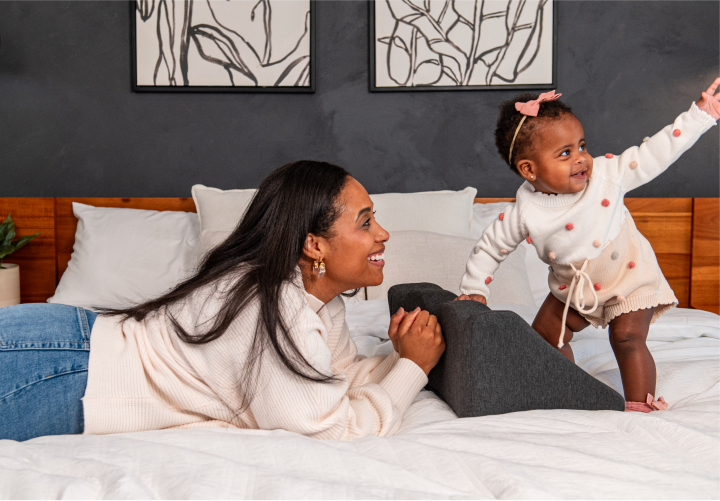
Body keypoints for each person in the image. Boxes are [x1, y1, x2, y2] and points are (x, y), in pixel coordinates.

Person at [0, 161, 445, 442]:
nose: (382, 234)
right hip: (59, 370)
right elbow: (334, 429)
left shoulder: (317, 302)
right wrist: (413, 368)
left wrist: (400, 354)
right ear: (314, 245)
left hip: (65, 352)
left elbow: (334, 377)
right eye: (365, 222)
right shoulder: (276, 307)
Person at [458, 79, 720, 412]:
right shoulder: (523, 212)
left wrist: (699, 116)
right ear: (529, 169)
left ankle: (642, 406)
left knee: (626, 337)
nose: (581, 158)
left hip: (627, 274)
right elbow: (489, 248)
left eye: (581, 145)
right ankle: (571, 388)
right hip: (574, 290)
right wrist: (474, 289)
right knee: (545, 337)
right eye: (565, 153)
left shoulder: (607, 176)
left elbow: (655, 153)